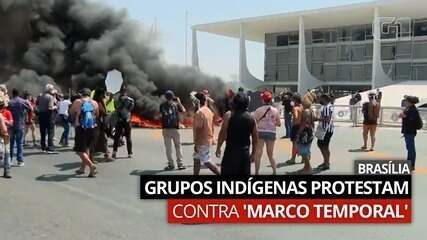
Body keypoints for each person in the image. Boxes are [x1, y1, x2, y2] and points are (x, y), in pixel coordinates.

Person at [216, 92, 258, 175]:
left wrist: (218, 147)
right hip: (244, 154)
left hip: (230, 153)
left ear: (234, 103)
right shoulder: (252, 118)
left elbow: (222, 133)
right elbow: (255, 139)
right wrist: (253, 154)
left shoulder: (229, 115)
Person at [69, 88, 99, 178]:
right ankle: (83, 169)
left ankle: (91, 166)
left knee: (79, 150)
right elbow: (97, 114)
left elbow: (70, 112)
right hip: (92, 128)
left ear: (81, 94)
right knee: (87, 148)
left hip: (81, 128)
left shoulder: (78, 101)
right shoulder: (94, 102)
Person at [253, 91, 281, 175]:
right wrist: (272, 123)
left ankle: (257, 172)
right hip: (271, 132)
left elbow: (255, 121)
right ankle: (274, 172)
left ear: (263, 100)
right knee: (270, 155)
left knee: (258, 154)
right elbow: (279, 123)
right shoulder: (275, 110)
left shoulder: (258, 110)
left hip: (260, 132)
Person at [193, 92, 220, 175]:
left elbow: (199, 130)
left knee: (206, 161)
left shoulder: (199, 112)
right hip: (207, 138)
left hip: (202, 141)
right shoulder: (208, 110)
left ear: (196, 102)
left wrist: (196, 144)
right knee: (196, 159)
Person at [160, 90, 186, 170]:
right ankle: (180, 164)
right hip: (175, 129)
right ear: (172, 97)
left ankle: (171, 164)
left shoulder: (162, 105)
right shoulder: (176, 105)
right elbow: (184, 111)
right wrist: (179, 102)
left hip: (165, 129)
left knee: (168, 148)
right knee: (178, 147)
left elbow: (161, 114)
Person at [8, 89, 32, 167]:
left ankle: (9, 160)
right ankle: (20, 161)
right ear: (19, 94)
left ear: (12, 93)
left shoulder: (9, 102)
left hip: (11, 125)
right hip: (20, 125)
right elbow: (30, 109)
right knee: (19, 143)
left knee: (10, 143)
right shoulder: (23, 101)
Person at [400, 96, 423, 171]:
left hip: (410, 132)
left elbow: (411, 121)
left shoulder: (413, 110)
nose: (405, 102)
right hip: (408, 131)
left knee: (411, 148)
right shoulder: (409, 109)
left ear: (410, 102)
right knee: (409, 148)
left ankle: (411, 164)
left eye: (406, 101)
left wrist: (404, 116)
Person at [112, 86, 134, 159]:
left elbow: (116, 108)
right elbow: (131, 109)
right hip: (127, 120)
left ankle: (114, 152)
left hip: (119, 120)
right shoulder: (131, 100)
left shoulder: (117, 100)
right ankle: (130, 153)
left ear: (120, 92)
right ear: (126, 92)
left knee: (117, 137)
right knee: (128, 137)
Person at [296, 95, 315, 174]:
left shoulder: (306, 111)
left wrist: (298, 133)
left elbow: (304, 124)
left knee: (303, 151)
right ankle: (306, 167)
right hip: (310, 131)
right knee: (306, 149)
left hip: (305, 132)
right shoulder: (311, 110)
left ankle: (309, 168)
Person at [92, 89, 113, 162]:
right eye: (103, 94)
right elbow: (98, 113)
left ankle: (107, 155)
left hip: (101, 124)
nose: (104, 95)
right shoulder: (95, 102)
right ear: (99, 94)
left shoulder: (101, 101)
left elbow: (104, 111)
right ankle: (91, 158)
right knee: (94, 141)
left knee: (104, 139)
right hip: (96, 124)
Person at [315, 94, 334, 171]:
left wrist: (317, 119)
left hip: (326, 129)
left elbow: (327, 119)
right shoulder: (329, 106)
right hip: (328, 129)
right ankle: (326, 161)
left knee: (323, 146)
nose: (319, 100)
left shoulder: (326, 108)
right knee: (323, 145)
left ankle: (326, 163)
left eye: (320, 99)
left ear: (324, 99)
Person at [37, 84, 57, 153]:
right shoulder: (50, 97)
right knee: (50, 132)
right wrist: (55, 107)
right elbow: (50, 107)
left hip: (41, 115)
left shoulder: (40, 96)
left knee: (42, 132)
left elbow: (38, 105)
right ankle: (50, 147)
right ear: (50, 90)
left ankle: (43, 146)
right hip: (48, 116)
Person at [286, 94, 303, 164]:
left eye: (293, 100)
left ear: (295, 100)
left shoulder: (295, 108)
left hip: (296, 127)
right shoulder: (302, 107)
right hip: (301, 126)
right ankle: (303, 158)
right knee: (301, 143)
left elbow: (295, 117)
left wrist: (293, 114)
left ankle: (293, 159)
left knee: (295, 144)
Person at [0, 97, 11, 178]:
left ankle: (7, 171)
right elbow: (4, 128)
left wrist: (6, 121)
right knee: (3, 153)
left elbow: (11, 122)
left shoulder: (7, 112)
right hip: (3, 135)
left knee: (7, 153)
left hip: (5, 136)